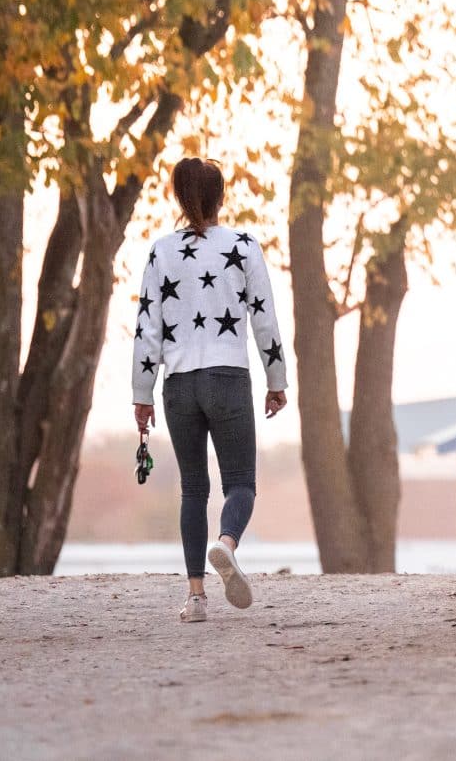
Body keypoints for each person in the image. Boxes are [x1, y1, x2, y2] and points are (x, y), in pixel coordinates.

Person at [131, 157, 288, 621]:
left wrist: (142, 394)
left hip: (178, 385)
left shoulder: (161, 252)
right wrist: (276, 382)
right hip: (228, 377)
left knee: (193, 490)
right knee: (240, 483)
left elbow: (146, 331)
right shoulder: (242, 246)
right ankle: (226, 544)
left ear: (179, 198)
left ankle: (196, 598)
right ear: (221, 198)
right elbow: (264, 318)